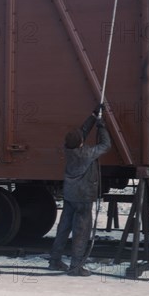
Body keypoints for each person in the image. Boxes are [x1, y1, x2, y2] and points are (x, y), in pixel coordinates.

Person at [48, 104, 112, 276]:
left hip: (70, 194)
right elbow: (106, 145)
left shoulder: (69, 148)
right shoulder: (87, 153)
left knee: (63, 228)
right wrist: (102, 126)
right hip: (83, 197)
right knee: (81, 232)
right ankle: (75, 267)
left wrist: (93, 116)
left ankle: (54, 260)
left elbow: (81, 132)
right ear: (82, 142)